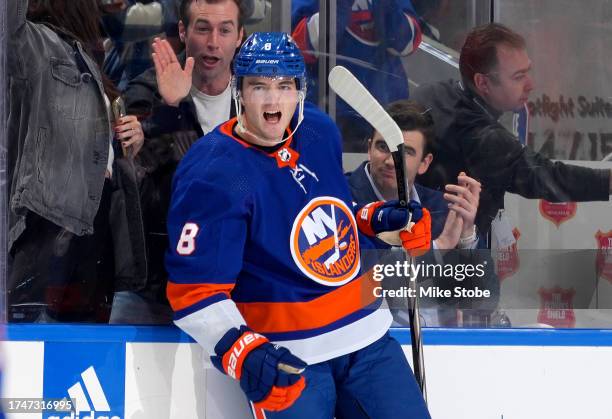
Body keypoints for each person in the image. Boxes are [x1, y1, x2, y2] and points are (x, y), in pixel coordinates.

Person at [165, 32, 431, 417]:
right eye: (259, 86)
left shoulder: (319, 132)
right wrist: (244, 352)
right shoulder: (214, 172)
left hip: (367, 337)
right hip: (290, 355)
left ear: (300, 91)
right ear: (239, 92)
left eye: (284, 86)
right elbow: (193, 292)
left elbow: (330, 210)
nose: (273, 100)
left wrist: (375, 219)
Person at [6, 0, 147, 323]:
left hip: (96, 236)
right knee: (33, 342)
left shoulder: (93, 61)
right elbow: (7, 27)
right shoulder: (38, 44)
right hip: (45, 228)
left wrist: (135, 139)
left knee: (86, 353)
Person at [110, 0, 249, 323]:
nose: (213, 41)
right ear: (184, 32)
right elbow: (128, 160)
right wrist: (169, 107)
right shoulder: (149, 89)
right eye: (202, 28)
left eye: (224, 30)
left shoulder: (255, 98)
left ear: (239, 36)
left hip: (236, 284)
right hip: (153, 287)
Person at [411, 23, 612, 245]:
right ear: (482, 82)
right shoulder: (485, 139)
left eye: (528, 72)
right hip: (454, 265)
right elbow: (551, 178)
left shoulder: (429, 95)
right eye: (518, 77)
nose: (530, 85)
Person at [347, 99, 502, 327]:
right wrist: (438, 248)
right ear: (368, 148)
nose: (391, 161)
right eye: (383, 147)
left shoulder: (442, 208)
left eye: (405, 152)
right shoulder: (338, 200)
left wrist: (467, 237)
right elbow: (355, 289)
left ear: (424, 163)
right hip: (376, 349)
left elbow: (485, 302)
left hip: (441, 349)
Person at [291, 0, 423, 151]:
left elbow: (408, 44)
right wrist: (336, 10)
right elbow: (296, 48)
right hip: (328, 113)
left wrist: (387, 8)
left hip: (383, 114)